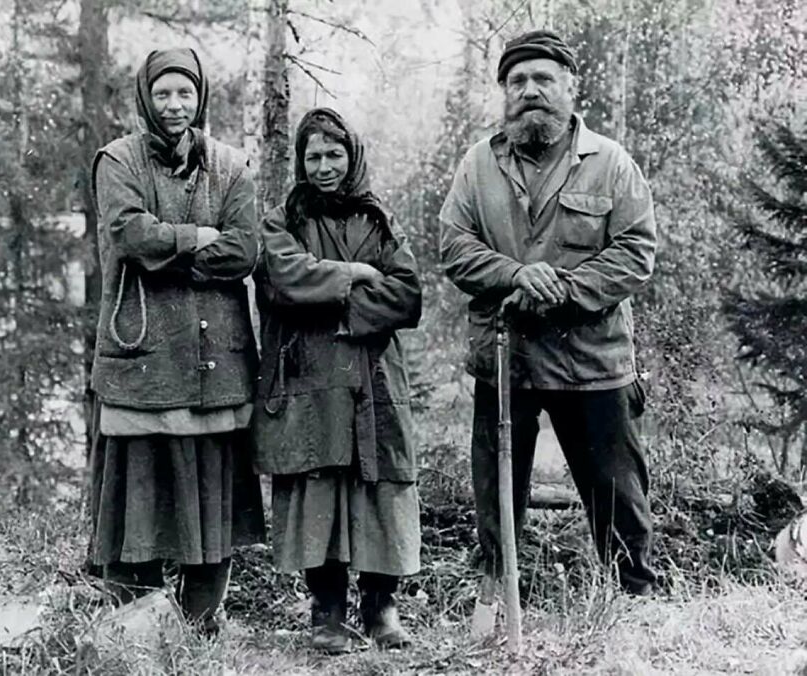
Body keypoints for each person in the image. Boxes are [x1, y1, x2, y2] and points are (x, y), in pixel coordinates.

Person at [440, 30, 658, 596]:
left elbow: (636, 252)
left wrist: (562, 287)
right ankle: (497, 595)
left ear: (570, 87)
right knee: (497, 492)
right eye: (518, 81)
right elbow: (454, 246)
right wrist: (515, 274)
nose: (530, 91)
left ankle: (632, 599)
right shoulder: (477, 166)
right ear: (504, 94)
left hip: (593, 358)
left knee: (616, 490)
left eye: (543, 79)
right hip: (505, 357)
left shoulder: (610, 162)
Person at [88, 47, 265, 635]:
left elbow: (245, 249)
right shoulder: (118, 160)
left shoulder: (231, 166)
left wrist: (172, 253)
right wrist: (197, 238)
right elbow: (130, 234)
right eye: (163, 93)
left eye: (184, 93)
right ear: (145, 97)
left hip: (216, 364)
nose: (174, 105)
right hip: (143, 357)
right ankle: (133, 624)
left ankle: (200, 623)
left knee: (210, 494)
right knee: (138, 491)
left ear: (201, 97)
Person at [252, 108, 422, 652]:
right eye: (314, 156)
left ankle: (381, 607)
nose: (324, 167)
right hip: (310, 374)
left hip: (374, 378)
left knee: (380, 485)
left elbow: (407, 294)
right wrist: (355, 274)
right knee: (317, 485)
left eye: (334, 155)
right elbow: (284, 279)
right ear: (301, 162)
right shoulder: (284, 219)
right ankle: (326, 612)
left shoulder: (379, 221)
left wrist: (334, 302)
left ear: (352, 157)